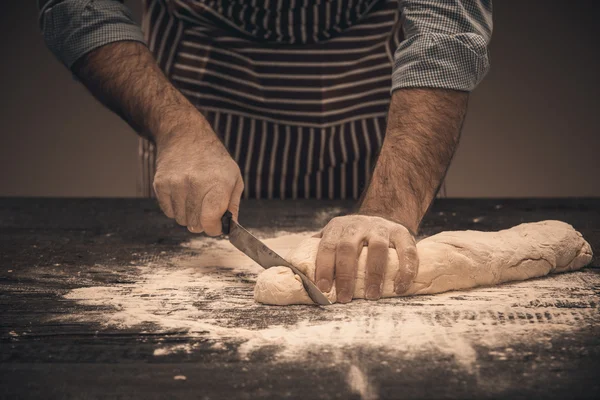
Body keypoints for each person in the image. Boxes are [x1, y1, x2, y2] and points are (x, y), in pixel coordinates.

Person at [38, 0, 493, 303]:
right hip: (200, 92)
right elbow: (80, 6)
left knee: (382, 260)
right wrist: (176, 127)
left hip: (372, 110)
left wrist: (390, 208)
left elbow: (446, 26)